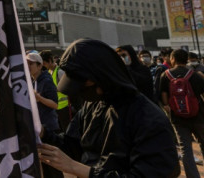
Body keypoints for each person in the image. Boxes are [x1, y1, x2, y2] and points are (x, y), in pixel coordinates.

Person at [37, 38, 179, 178]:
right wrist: (42, 133)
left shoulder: (148, 119)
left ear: (100, 77)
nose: (81, 93)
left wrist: (78, 169)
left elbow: (150, 173)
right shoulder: (92, 105)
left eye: (83, 85)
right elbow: (72, 145)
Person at [160, 48, 204, 178]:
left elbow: (163, 94)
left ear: (173, 59)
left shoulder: (166, 75)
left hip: (178, 117)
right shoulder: (195, 75)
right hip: (198, 115)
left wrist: (168, 106)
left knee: (185, 149)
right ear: (186, 60)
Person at [26, 52, 62, 178]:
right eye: (27, 63)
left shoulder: (46, 80)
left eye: (31, 63)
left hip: (49, 127)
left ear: (40, 65)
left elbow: (55, 104)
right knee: (46, 164)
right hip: (40, 127)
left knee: (53, 165)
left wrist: (39, 98)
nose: (28, 66)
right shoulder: (32, 80)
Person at [39, 49, 71, 132]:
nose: (44, 66)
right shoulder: (49, 72)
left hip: (65, 108)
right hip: (56, 108)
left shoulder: (60, 72)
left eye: (44, 63)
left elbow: (67, 88)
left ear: (50, 60)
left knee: (67, 130)